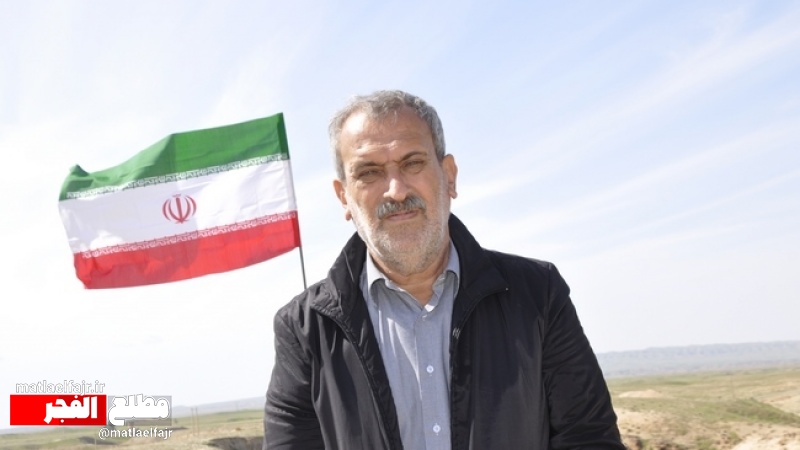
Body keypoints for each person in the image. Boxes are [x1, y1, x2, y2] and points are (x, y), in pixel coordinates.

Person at [263, 90, 624, 449]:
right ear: (344, 196)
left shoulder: (538, 295)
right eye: (369, 172)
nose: (396, 191)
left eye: (412, 163)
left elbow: (589, 438)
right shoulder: (305, 329)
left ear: (449, 176)